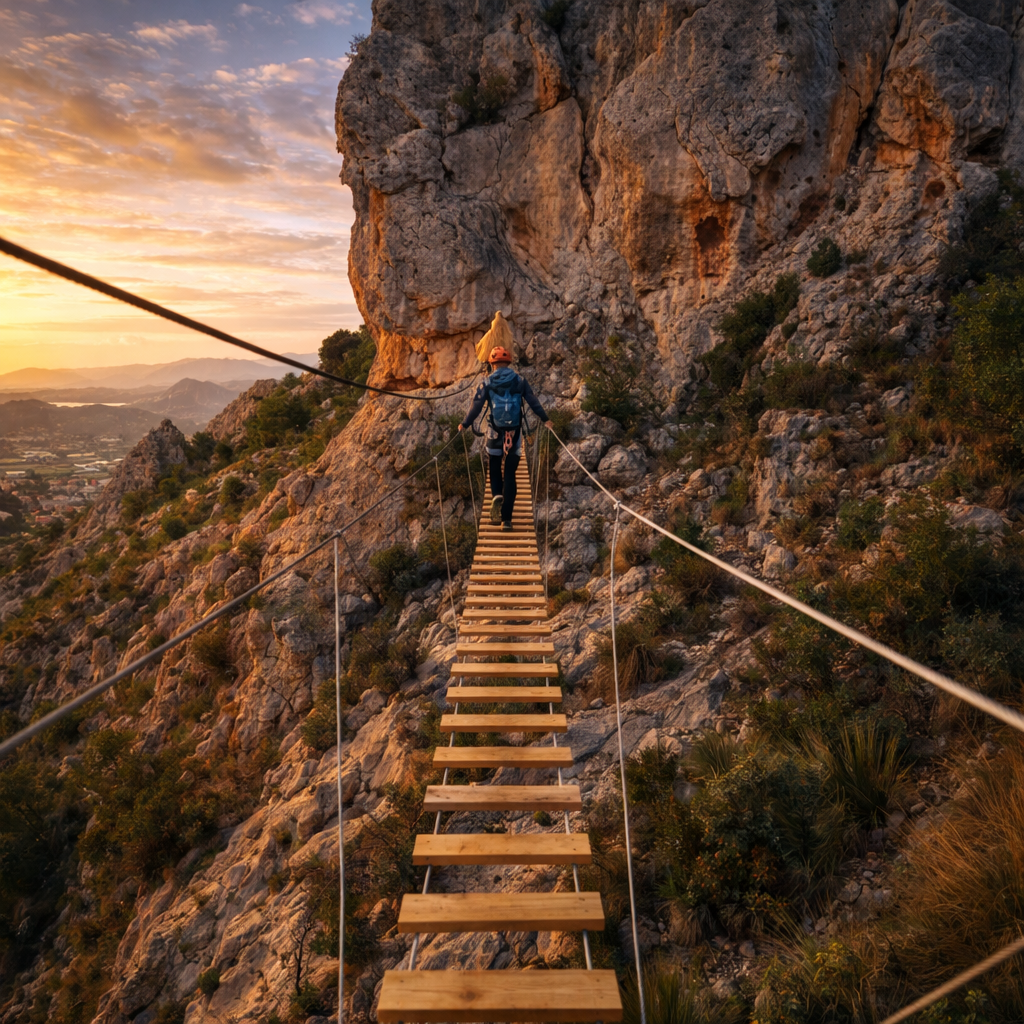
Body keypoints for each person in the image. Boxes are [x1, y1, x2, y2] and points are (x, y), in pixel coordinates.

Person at [459, 346, 552, 530]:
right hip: (515, 433)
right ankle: (507, 519)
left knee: (494, 467)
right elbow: (533, 401)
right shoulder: (520, 380)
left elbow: (476, 406)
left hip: (495, 432)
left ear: (492, 364)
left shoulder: (487, 382)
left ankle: (496, 495)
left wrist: (465, 424)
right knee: (510, 474)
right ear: (508, 362)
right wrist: (546, 420)